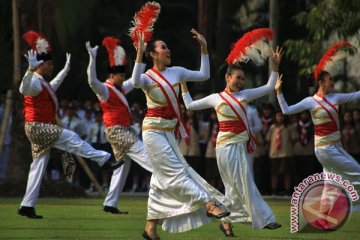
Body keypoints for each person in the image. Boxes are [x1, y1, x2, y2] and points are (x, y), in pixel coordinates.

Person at [132, 29, 231, 239]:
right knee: (178, 173)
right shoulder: (147, 77)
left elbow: (204, 74)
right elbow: (134, 82)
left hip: (169, 132)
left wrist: (204, 48)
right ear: (153, 54)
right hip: (152, 131)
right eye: (163, 47)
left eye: (167, 47)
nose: (168, 50)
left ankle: (150, 228)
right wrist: (139, 54)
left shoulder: (176, 71)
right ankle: (208, 203)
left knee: (160, 180)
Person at [18, 31, 123, 219]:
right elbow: (23, 89)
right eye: (49, 64)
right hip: (38, 127)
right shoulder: (34, 80)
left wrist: (65, 71)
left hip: (37, 128)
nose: (52, 67)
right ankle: (104, 160)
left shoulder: (43, 83)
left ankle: (27, 205)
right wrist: (29, 71)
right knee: (72, 137)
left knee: (39, 165)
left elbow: (53, 86)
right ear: (41, 65)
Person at [181, 45, 283, 236]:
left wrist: (275, 65)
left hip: (240, 146)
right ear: (228, 77)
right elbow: (189, 105)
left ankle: (226, 221)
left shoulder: (245, 95)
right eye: (237, 78)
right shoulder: (216, 98)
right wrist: (183, 84)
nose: (241, 82)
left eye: (243, 79)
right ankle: (267, 219)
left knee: (234, 186)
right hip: (225, 148)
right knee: (243, 182)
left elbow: (269, 87)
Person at [275, 41, 360, 228]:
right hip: (324, 149)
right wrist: (279, 91)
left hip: (335, 147)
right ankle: (352, 206)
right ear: (320, 82)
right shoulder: (310, 101)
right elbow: (287, 110)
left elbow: (356, 95)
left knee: (330, 186)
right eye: (330, 80)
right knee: (356, 171)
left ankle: (321, 219)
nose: (333, 83)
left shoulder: (336, 97)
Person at [86, 34, 152, 214]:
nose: (124, 78)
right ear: (112, 75)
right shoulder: (105, 91)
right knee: (148, 157)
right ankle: (169, 182)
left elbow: (135, 79)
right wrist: (92, 59)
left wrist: (142, 55)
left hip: (121, 130)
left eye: (123, 75)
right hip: (118, 131)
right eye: (121, 75)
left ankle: (110, 203)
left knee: (122, 166)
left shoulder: (120, 88)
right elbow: (92, 82)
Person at [266, 111, 297, 195]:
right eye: (278, 116)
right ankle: (274, 191)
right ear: (275, 117)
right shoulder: (272, 127)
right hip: (274, 153)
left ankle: (287, 190)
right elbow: (268, 140)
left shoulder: (289, 127)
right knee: (274, 173)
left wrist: (290, 148)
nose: (280, 118)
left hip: (285, 152)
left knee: (287, 173)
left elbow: (294, 139)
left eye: (282, 116)